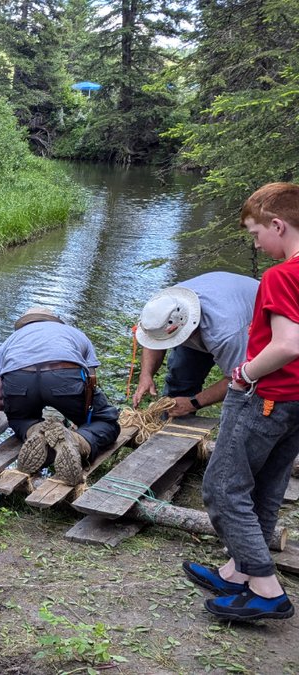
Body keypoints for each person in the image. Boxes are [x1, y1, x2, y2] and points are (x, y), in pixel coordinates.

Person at [186, 183, 299, 622]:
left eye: (255, 234)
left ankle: (266, 588)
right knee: (268, 484)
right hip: (295, 403)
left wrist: (244, 374)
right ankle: (236, 573)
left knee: (223, 487)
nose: (255, 243)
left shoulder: (282, 275)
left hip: (266, 396)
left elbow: (288, 344)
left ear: (278, 224)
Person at [0, 307, 121, 484]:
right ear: (53, 320)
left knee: (20, 420)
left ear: (24, 324)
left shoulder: (11, 340)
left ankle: (36, 431)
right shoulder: (72, 332)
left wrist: (15, 408)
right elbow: (91, 380)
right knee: (106, 422)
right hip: (63, 374)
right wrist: (84, 413)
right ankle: (76, 440)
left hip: (19, 378)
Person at [133, 272, 258, 416]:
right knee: (180, 379)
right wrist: (146, 375)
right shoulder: (166, 305)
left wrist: (194, 403)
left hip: (248, 323)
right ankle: (171, 426)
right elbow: (154, 339)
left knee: (246, 399)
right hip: (215, 307)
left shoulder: (227, 335)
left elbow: (240, 378)